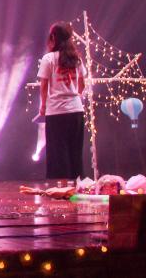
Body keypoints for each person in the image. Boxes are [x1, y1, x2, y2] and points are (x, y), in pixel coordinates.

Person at [37, 22, 88, 185]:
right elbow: (82, 83)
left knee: (59, 149)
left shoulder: (49, 58)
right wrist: (76, 96)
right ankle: (77, 185)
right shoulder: (76, 58)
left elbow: (44, 85)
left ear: (53, 37)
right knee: (75, 148)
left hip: (57, 111)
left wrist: (43, 105)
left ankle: (64, 186)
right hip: (76, 110)